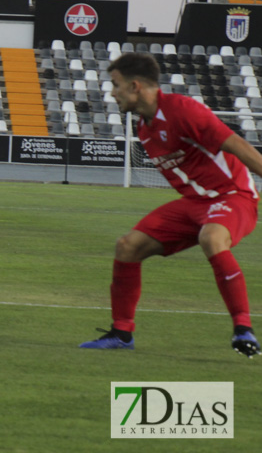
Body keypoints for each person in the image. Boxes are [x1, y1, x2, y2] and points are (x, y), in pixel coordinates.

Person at [79, 52, 259, 357]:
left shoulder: (183, 110)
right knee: (127, 246)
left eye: (115, 84)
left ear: (135, 86)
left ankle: (243, 330)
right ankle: (122, 334)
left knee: (212, 237)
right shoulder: (144, 127)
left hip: (233, 195)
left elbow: (238, 145)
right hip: (195, 203)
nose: (112, 92)